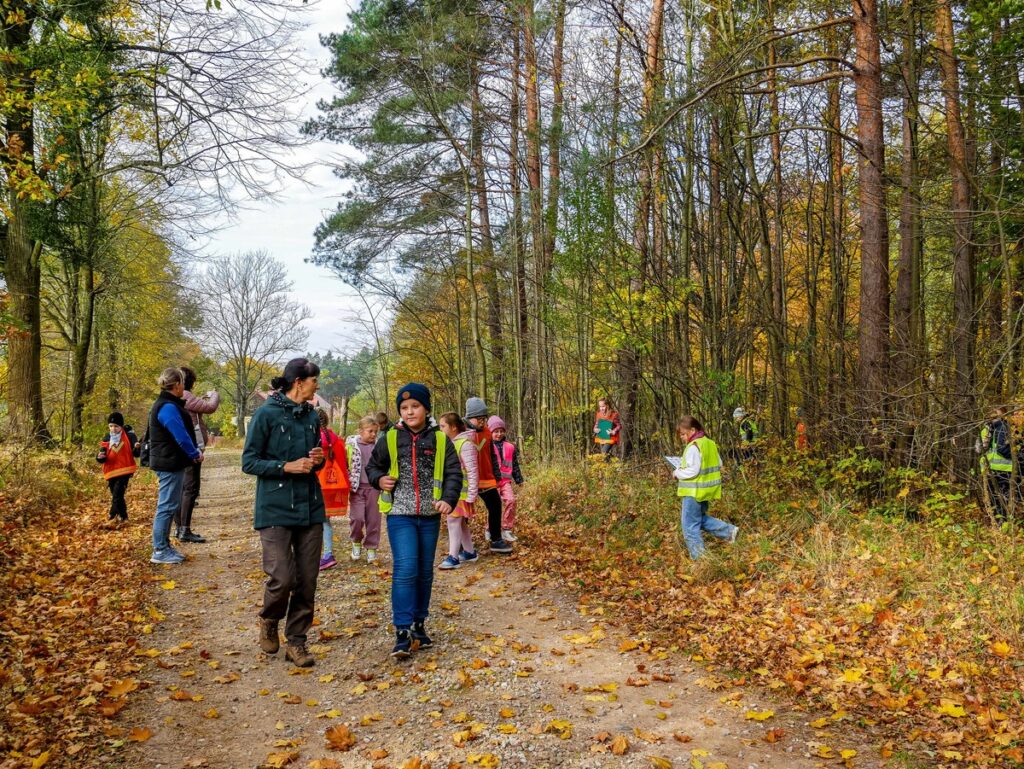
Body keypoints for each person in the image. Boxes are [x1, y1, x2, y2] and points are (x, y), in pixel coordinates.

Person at [366, 383, 462, 658]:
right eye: (404, 408)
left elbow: (454, 473)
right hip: (400, 513)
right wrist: (378, 479)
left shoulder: (441, 440)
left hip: (430, 516)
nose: (409, 412)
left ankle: (420, 624)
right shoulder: (391, 438)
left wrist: (449, 499)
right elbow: (374, 467)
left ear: (426, 408)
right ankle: (402, 631)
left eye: (415, 406)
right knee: (406, 568)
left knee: (424, 571)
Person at [242, 358, 326, 668]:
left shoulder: (311, 416)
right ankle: (268, 618)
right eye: (314, 380)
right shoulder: (266, 414)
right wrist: (284, 467)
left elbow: (318, 458)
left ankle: (297, 642)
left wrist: (319, 458)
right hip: (275, 507)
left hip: (310, 506)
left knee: (307, 580)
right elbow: (249, 462)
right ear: (299, 382)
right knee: (281, 577)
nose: (317, 385)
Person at [147, 368, 203, 565]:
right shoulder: (168, 407)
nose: (184, 388)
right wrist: (194, 454)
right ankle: (160, 550)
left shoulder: (166, 404)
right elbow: (181, 436)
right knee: (167, 505)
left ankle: (163, 545)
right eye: (182, 384)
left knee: (169, 504)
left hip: (168, 461)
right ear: (177, 385)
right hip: (168, 462)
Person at [673, 415, 738, 559]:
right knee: (699, 519)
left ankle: (700, 558)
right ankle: (730, 532)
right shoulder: (709, 443)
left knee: (689, 526)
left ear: (693, 430)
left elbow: (693, 470)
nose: (682, 438)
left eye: (683, 434)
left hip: (693, 492)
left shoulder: (694, 446)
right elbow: (719, 463)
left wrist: (677, 472)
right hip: (705, 491)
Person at [175, 366, 220, 544]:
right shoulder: (186, 395)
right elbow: (210, 407)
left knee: (181, 488)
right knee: (190, 488)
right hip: (192, 447)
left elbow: (198, 407)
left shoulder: (180, 397)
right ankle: (184, 529)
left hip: (181, 447)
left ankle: (179, 528)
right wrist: (215, 394)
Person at [464, 397, 512, 554]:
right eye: (479, 419)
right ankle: (460, 544)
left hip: (486, 477)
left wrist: (497, 476)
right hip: (466, 479)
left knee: (495, 505)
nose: (482, 422)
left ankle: (496, 539)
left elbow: (492, 455)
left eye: (484, 418)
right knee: (463, 512)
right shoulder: (462, 432)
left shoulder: (487, 433)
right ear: (470, 417)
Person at [437, 412, 479, 570]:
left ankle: (453, 557)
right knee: (460, 523)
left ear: (453, 427)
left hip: (461, 492)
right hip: (454, 491)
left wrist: (472, 494)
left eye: (443, 426)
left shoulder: (465, 443)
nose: (440, 429)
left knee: (453, 521)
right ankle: (469, 552)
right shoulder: (452, 442)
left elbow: (473, 470)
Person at [317, 407, 351, 571]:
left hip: (315, 485)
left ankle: (312, 556)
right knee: (325, 521)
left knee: (311, 522)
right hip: (332, 486)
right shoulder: (336, 440)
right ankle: (328, 554)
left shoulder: (312, 439)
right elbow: (344, 464)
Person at [346, 415, 382, 563]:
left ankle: (372, 547)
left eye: (375, 432)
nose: (373, 434)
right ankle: (356, 542)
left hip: (374, 488)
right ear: (361, 431)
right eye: (370, 431)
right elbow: (345, 463)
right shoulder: (351, 445)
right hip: (357, 489)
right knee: (357, 518)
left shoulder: (379, 446)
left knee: (374, 520)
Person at [97, 412, 139, 522]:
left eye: (116, 426)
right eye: (111, 426)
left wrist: (137, 448)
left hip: (125, 469)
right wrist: (100, 456)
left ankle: (112, 515)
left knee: (117, 493)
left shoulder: (129, 436)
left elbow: (136, 453)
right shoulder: (107, 438)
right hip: (111, 471)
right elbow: (102, 457)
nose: (113, 429)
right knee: (117, 495)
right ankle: (124, 516)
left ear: (121, 426)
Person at [488, 415, 524, 542]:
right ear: (490, 432)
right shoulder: (487, 446)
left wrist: (519, 479)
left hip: (505, 482)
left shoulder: (510, 447)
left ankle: (507, 529)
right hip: (492, 482)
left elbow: (514, 465)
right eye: (496, 431)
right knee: (493, 506)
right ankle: (490, 529)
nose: (499, 434)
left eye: (501, 431)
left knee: (511, 501)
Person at [978, 406, 1014, 522]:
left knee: (1002, 499)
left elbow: (1008, 450)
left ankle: (1002, 523)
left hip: (1004, 470)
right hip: (989, 470)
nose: (994, 418)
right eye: (992, 415)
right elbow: (978, 449)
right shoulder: (986, 429)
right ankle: (995, 522)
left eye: (997, 415)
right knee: (993, 498)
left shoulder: (1008, 428)